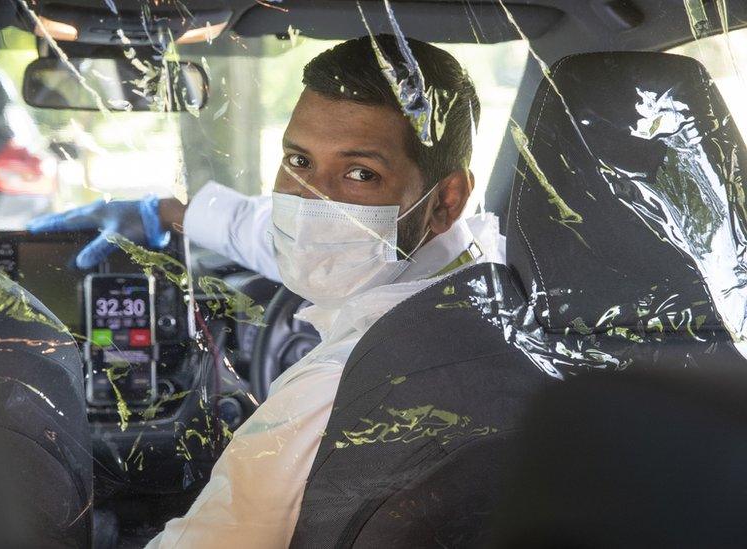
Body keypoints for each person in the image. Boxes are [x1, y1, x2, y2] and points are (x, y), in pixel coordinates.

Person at [30, 34, 505, 546]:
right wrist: (168, 211)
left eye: (360, 173)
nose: (310, 202)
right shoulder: (489, 266)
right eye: (298, 161)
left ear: (446, 199)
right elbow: (299, 231)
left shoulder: (338, 389)